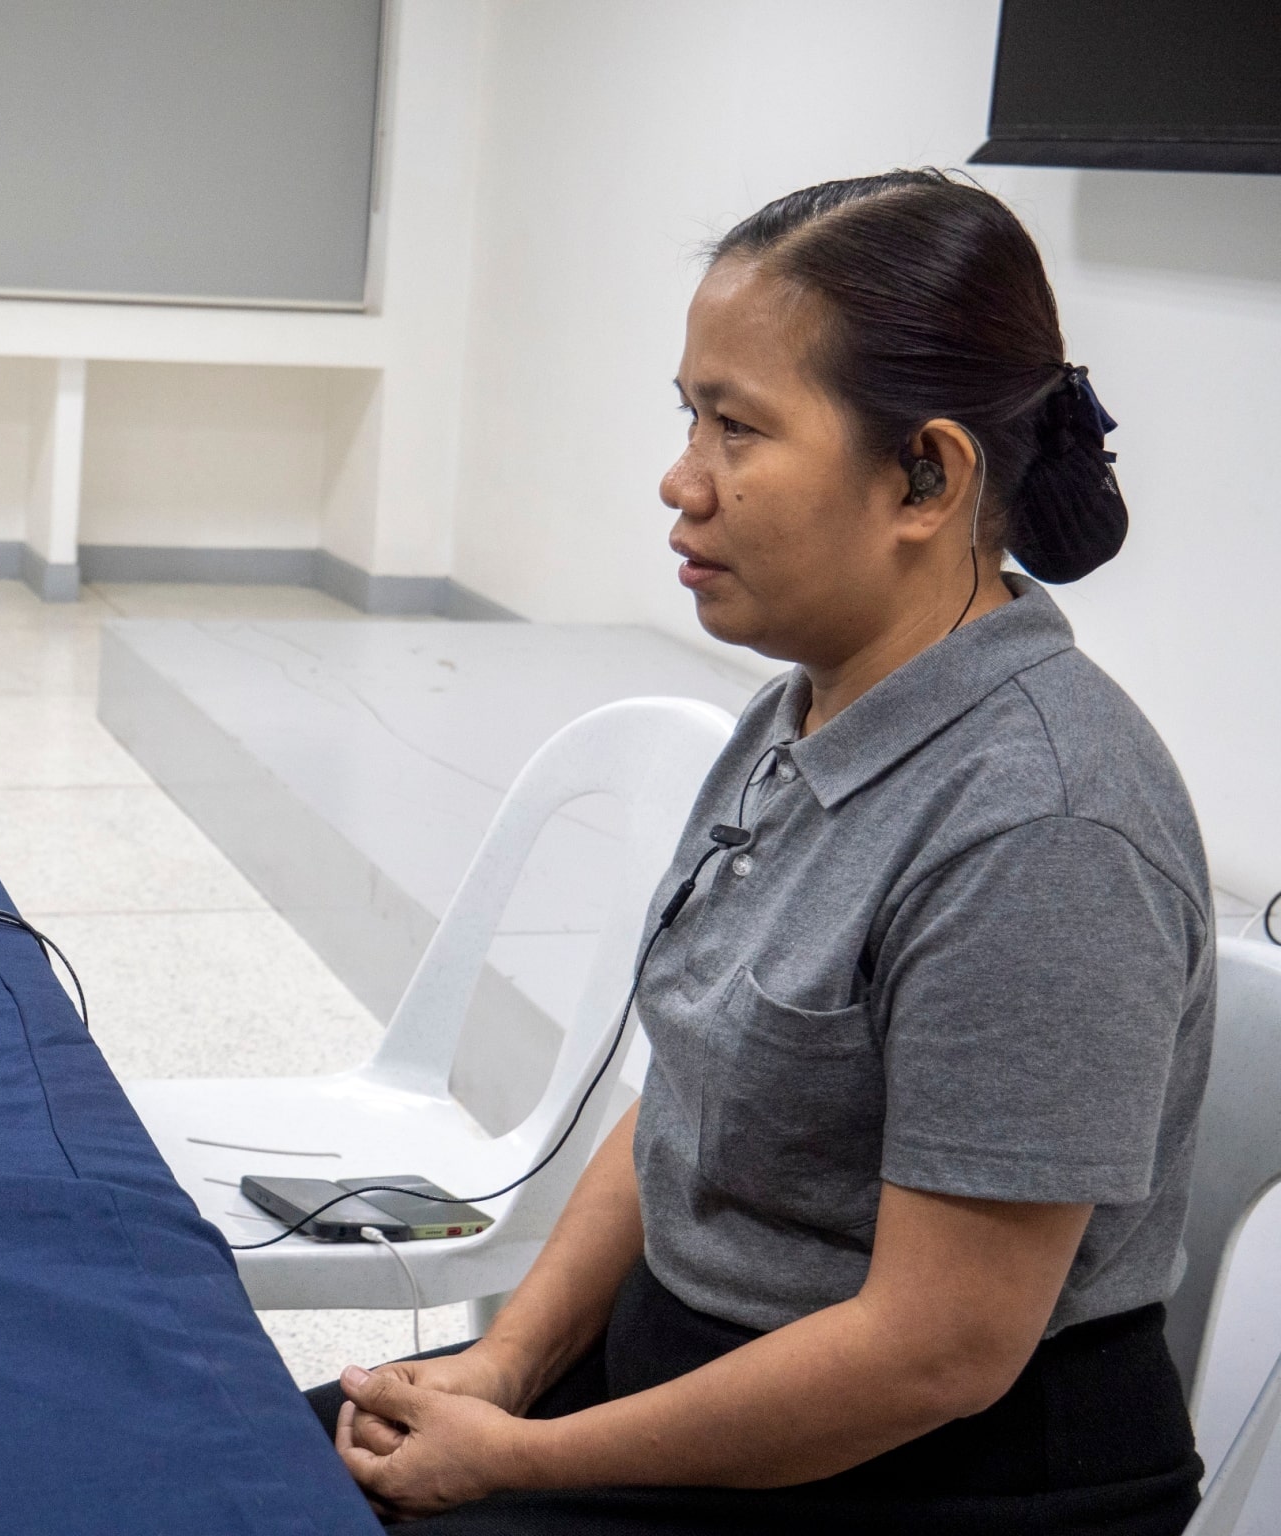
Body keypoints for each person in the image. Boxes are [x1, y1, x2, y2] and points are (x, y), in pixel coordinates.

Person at [307, 169, 1213, 1534]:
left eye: (737, 428)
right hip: (700, 1391)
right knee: (240, 1451)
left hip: (926, 1474)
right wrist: (499, 1369)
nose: (681, 481)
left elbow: (936, 1351)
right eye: (690, 415)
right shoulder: (808, 709)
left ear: (926, 473)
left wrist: (519, 1459)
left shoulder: (1046, 828)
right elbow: (687, 1103)